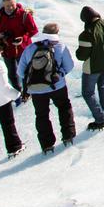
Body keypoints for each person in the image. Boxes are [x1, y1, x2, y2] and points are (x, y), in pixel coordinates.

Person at [18, 23, 76, 154]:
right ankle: (68, 135)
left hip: (36, 89)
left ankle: (47, 144)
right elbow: (70, 65)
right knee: (64, 107)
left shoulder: (30, 48)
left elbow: (21, 72)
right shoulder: (60, 46)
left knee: (41, 115)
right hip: (57, 86)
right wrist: (58, 76)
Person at [0, 0, 38, 96]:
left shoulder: (24, 15)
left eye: (12, 5)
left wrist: (23, 38)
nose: (10, 7)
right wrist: (0, 35)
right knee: (12, 74)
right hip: (7, 50)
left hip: (23, 49)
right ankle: (17, 92)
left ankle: (27, 92)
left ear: (15, 3)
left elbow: (33, 30)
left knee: (25, 71)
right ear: (3, 5)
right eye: (7, 6)